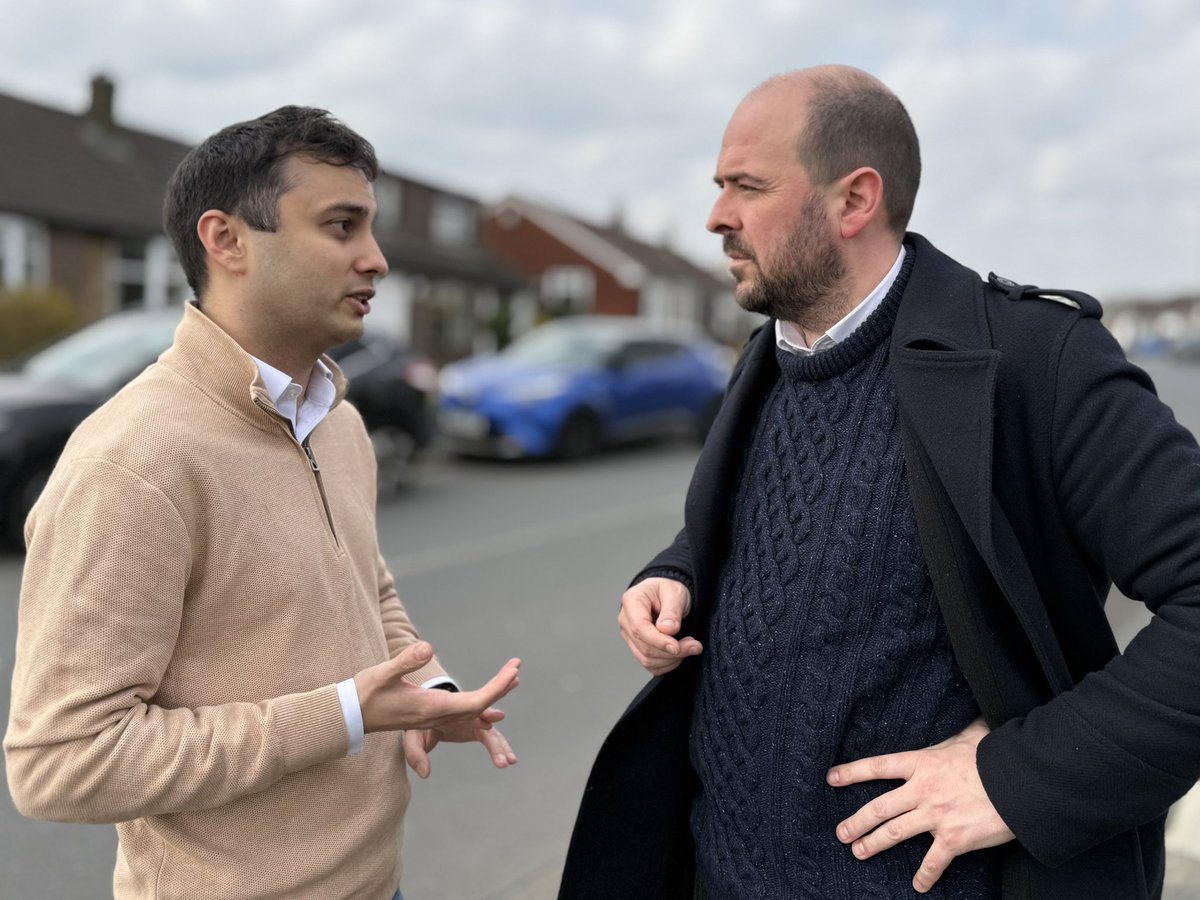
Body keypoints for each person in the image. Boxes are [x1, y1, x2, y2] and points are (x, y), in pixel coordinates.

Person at [557, 65, 1200, 900]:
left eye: (747, 186)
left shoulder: (1035, 362)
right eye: (719, 186)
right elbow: (766, 533)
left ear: (855, 201)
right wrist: (676, 573)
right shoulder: (766, 359)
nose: (716, 217)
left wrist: (1018, 779)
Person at [4, 106, 521, 900]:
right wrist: (345, 714)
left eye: (371, 228)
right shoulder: (132, 461)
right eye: (342, 226)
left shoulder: (338, 422)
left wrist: (424, 693)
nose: (377, 260)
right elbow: (61, 764)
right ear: (227, 240)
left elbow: (366, 589)